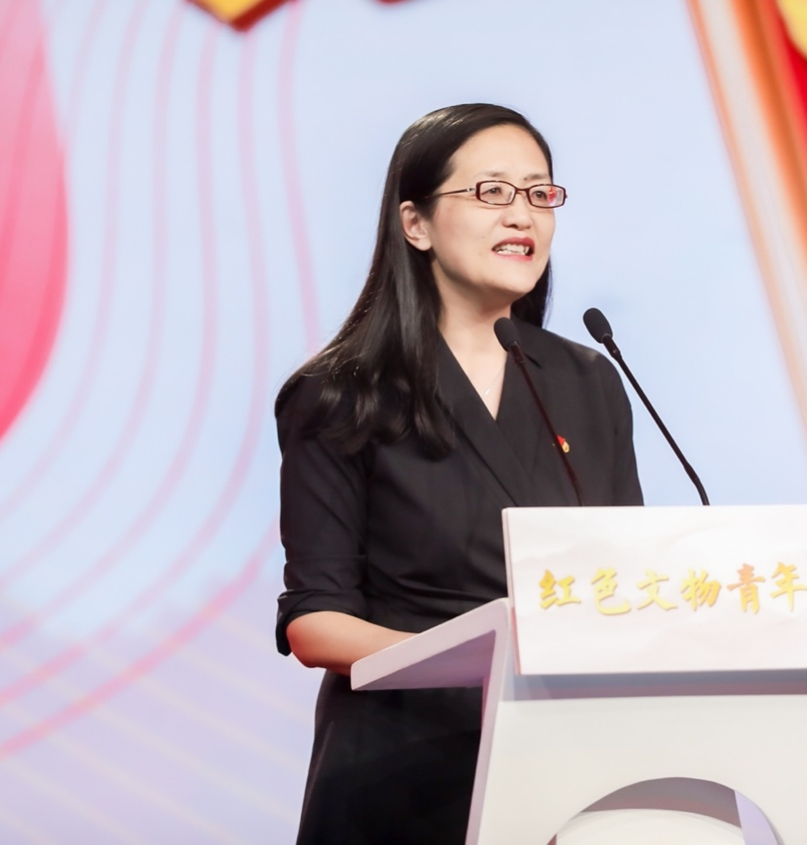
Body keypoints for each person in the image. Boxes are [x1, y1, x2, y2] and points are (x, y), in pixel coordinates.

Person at [274, 104, 643, 843]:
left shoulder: (588, 379)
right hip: (404, 770)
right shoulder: (341, 393)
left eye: (538, 193)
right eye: (491, 191)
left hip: (563, 767)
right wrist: (486, 658)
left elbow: (628, 579)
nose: (522, 214)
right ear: (415, 224)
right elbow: (316, 622)